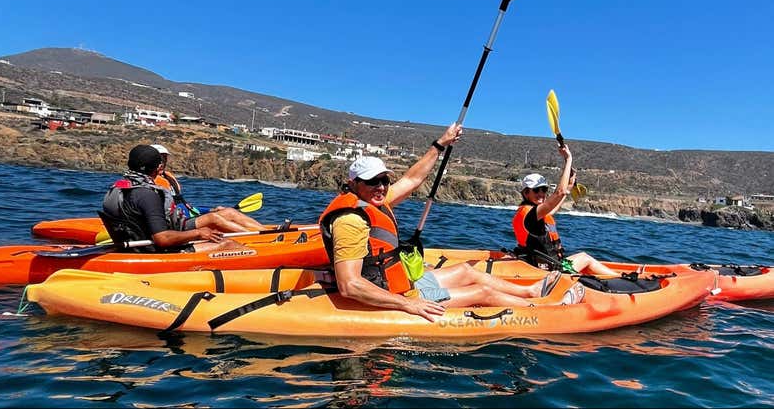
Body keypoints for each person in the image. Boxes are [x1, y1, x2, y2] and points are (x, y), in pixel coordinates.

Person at [318, 123, 585, 323]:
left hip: (400, 282)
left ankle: (533, 291)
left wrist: (439, 145)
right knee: (482, 292)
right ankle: (547, 311)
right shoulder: (350, 219)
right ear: (354, 184)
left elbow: (412, 180)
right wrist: (407, 305)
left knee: (468, 273)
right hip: (393, 296)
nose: (381, 186)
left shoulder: (374, 200)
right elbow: (350, 285)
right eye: (372, 181)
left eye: (384, 180)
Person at [101, 144, 266, 252]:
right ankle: (260, 254)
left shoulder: (116, 188)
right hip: (157, 252)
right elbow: (163, 239)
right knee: (228, 244)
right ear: (157, 167)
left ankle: (266, 237)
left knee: (219, 217)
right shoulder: (147, 194)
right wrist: (198, 233)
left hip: (141, 241)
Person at [511, 142, 618, 276]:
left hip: (550, 265)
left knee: (584, 263)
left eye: (544, 189)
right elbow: (559, 193)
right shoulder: (530, 214)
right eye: (536, 190)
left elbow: (554, 206)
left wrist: (569, 186)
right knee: (585, 258)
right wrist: (568, 159)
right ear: (526, 193)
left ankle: (615, 279)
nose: (541, 193)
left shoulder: (537, 214)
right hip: (547, 271)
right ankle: (622, 281)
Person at [151, 143, 208, 217]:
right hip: (175, 217)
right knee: (215, 218)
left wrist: (210, 210)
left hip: (185, 210)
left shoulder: (168, 176)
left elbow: (181, 202)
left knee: (222, 211)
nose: (162, 162)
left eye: (164, 158)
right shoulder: (149, 181)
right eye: (159, 159)